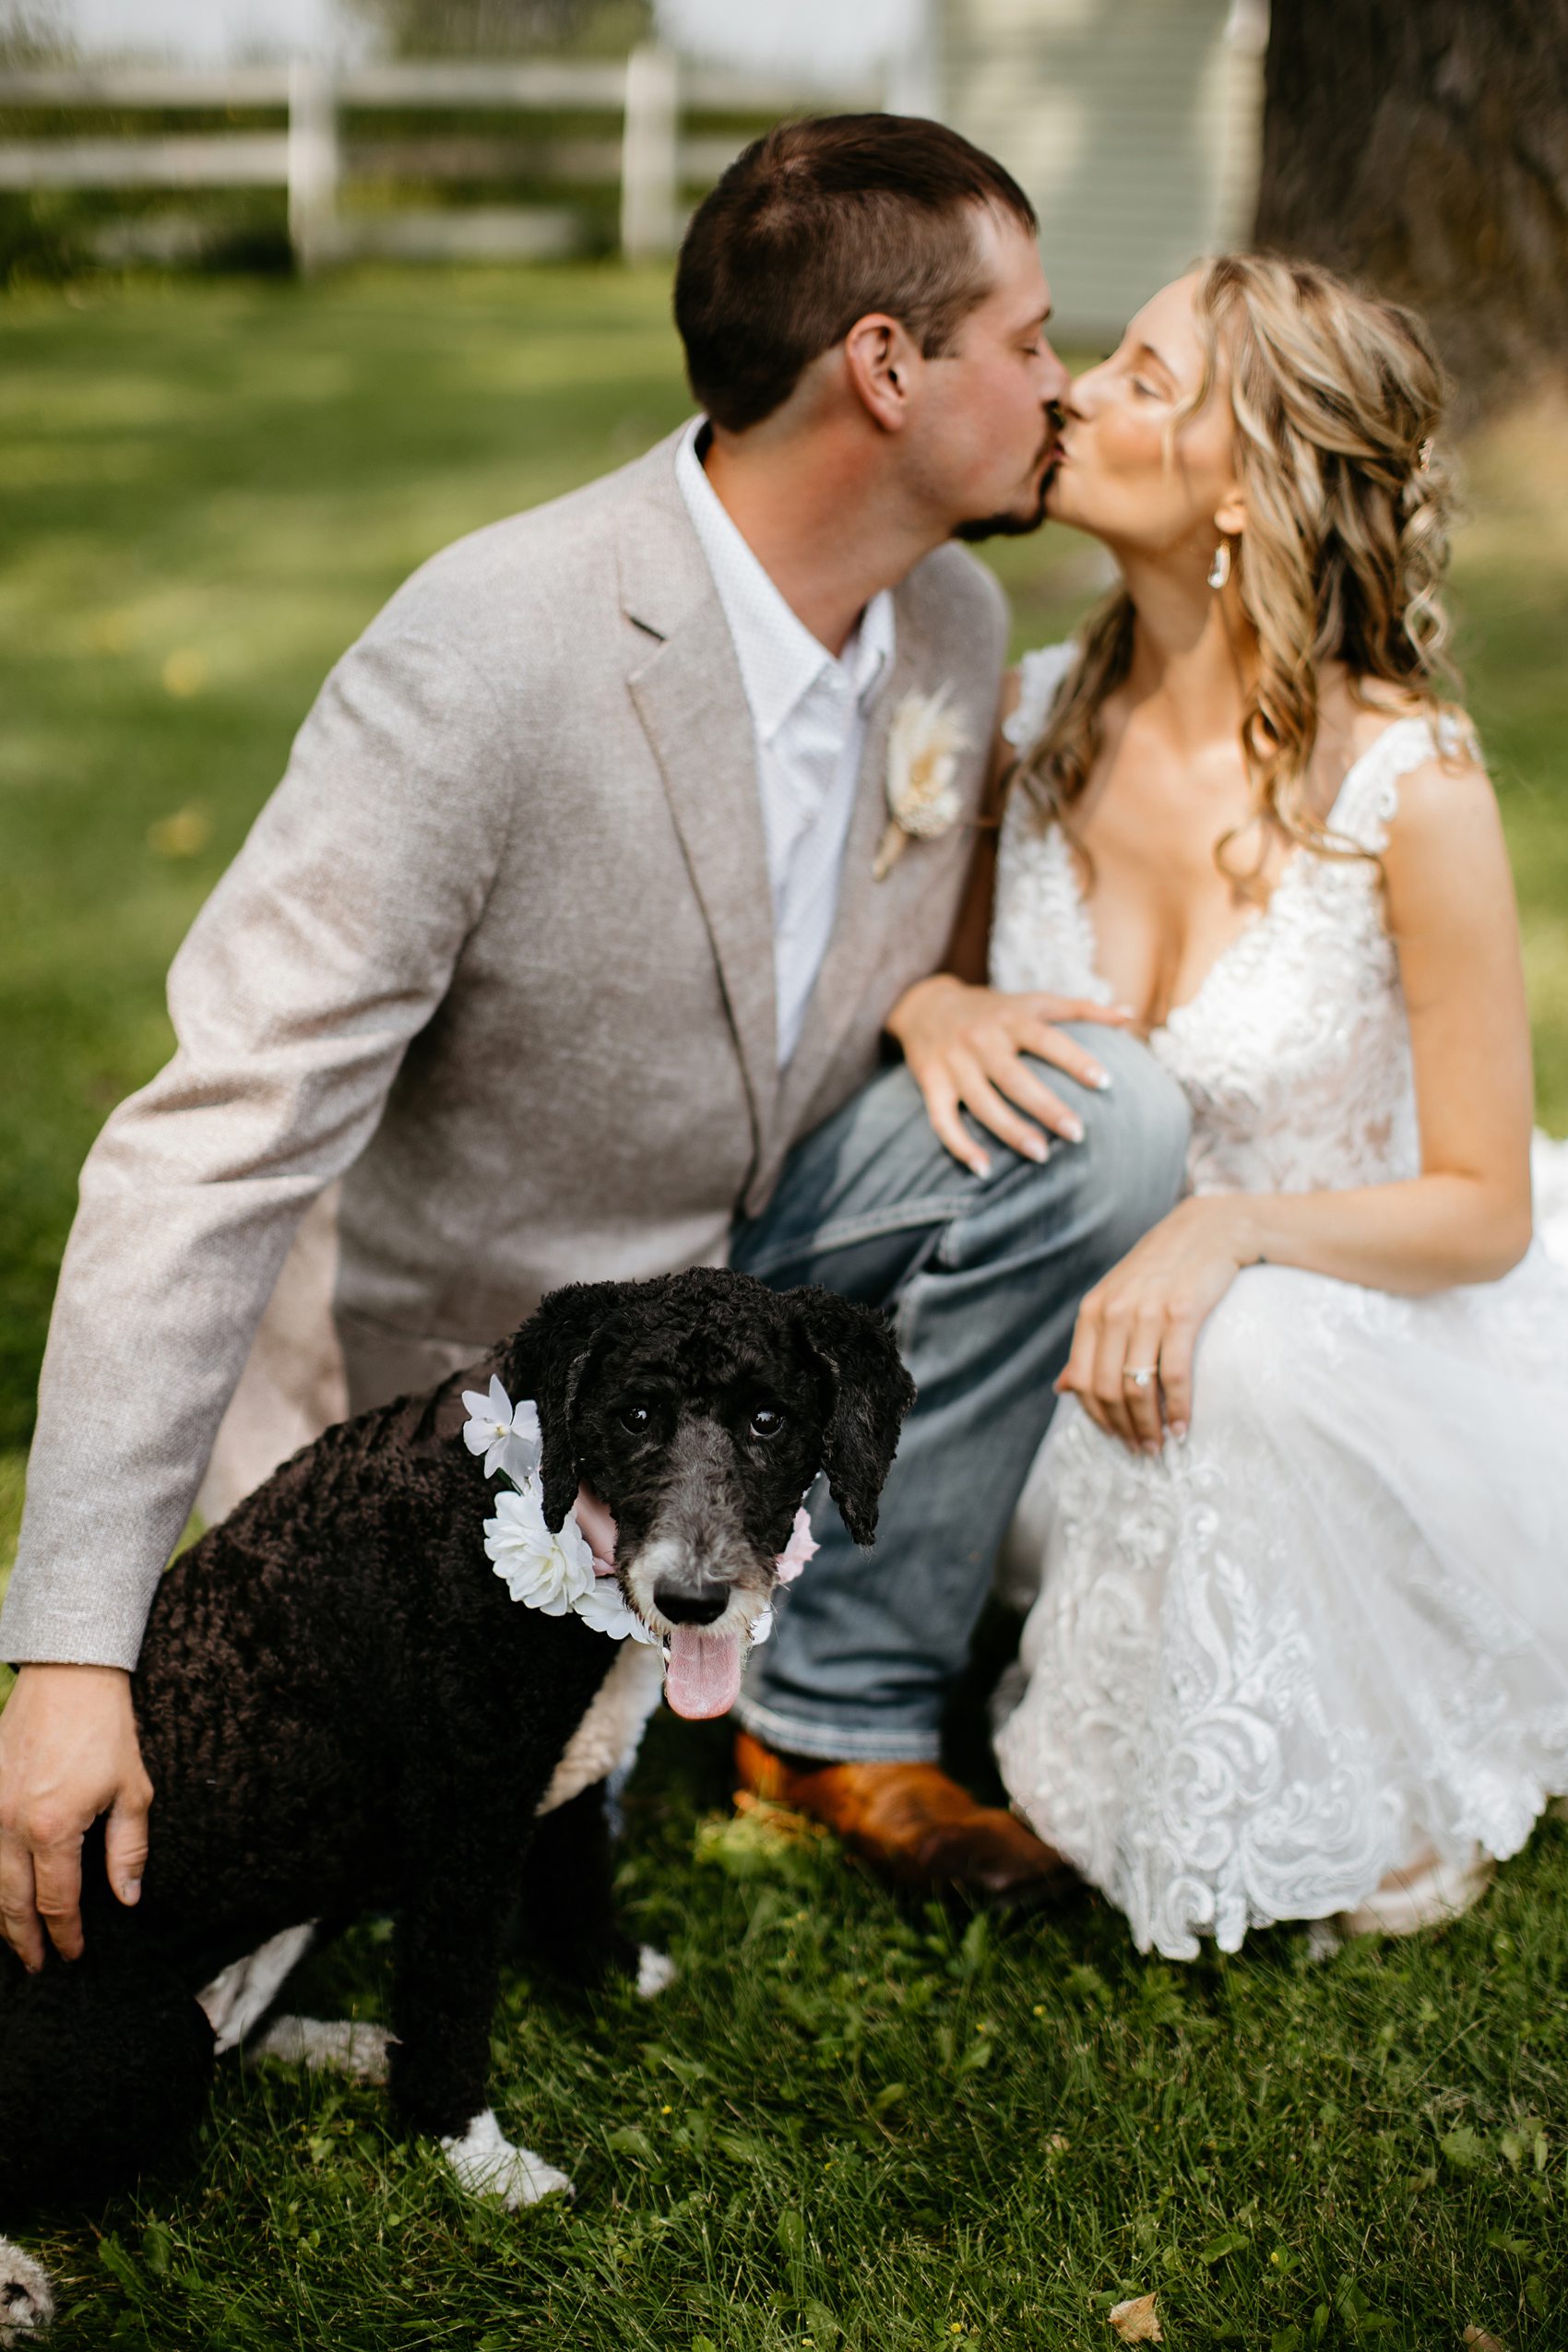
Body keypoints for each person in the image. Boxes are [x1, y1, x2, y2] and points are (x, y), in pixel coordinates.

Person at [0, 114, 1192, 1972]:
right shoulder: (489, 654)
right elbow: (209, 1141)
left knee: (1102, 1123)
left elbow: (816, 933)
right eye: (1028, 341)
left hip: (763, 1278)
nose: (1062, 383)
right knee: (343, 1887)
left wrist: (929, 987)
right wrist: (74, 1651)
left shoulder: (951, 619)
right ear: (885, 367)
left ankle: (839, 1710)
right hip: (507, 1387)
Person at [890, 252, 1568, 1960]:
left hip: (1361, 1322)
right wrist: (934, 996)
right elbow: (942, 999)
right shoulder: (1035, 719)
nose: (1078, 393)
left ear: (1250, 490)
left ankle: (1295, 1795)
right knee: (1149, 1388)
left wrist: (1231, 1228)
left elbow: (1485, 1199)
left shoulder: (1412, 785)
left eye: (1142, 376)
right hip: (1061, 1350)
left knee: (1239, 1364)